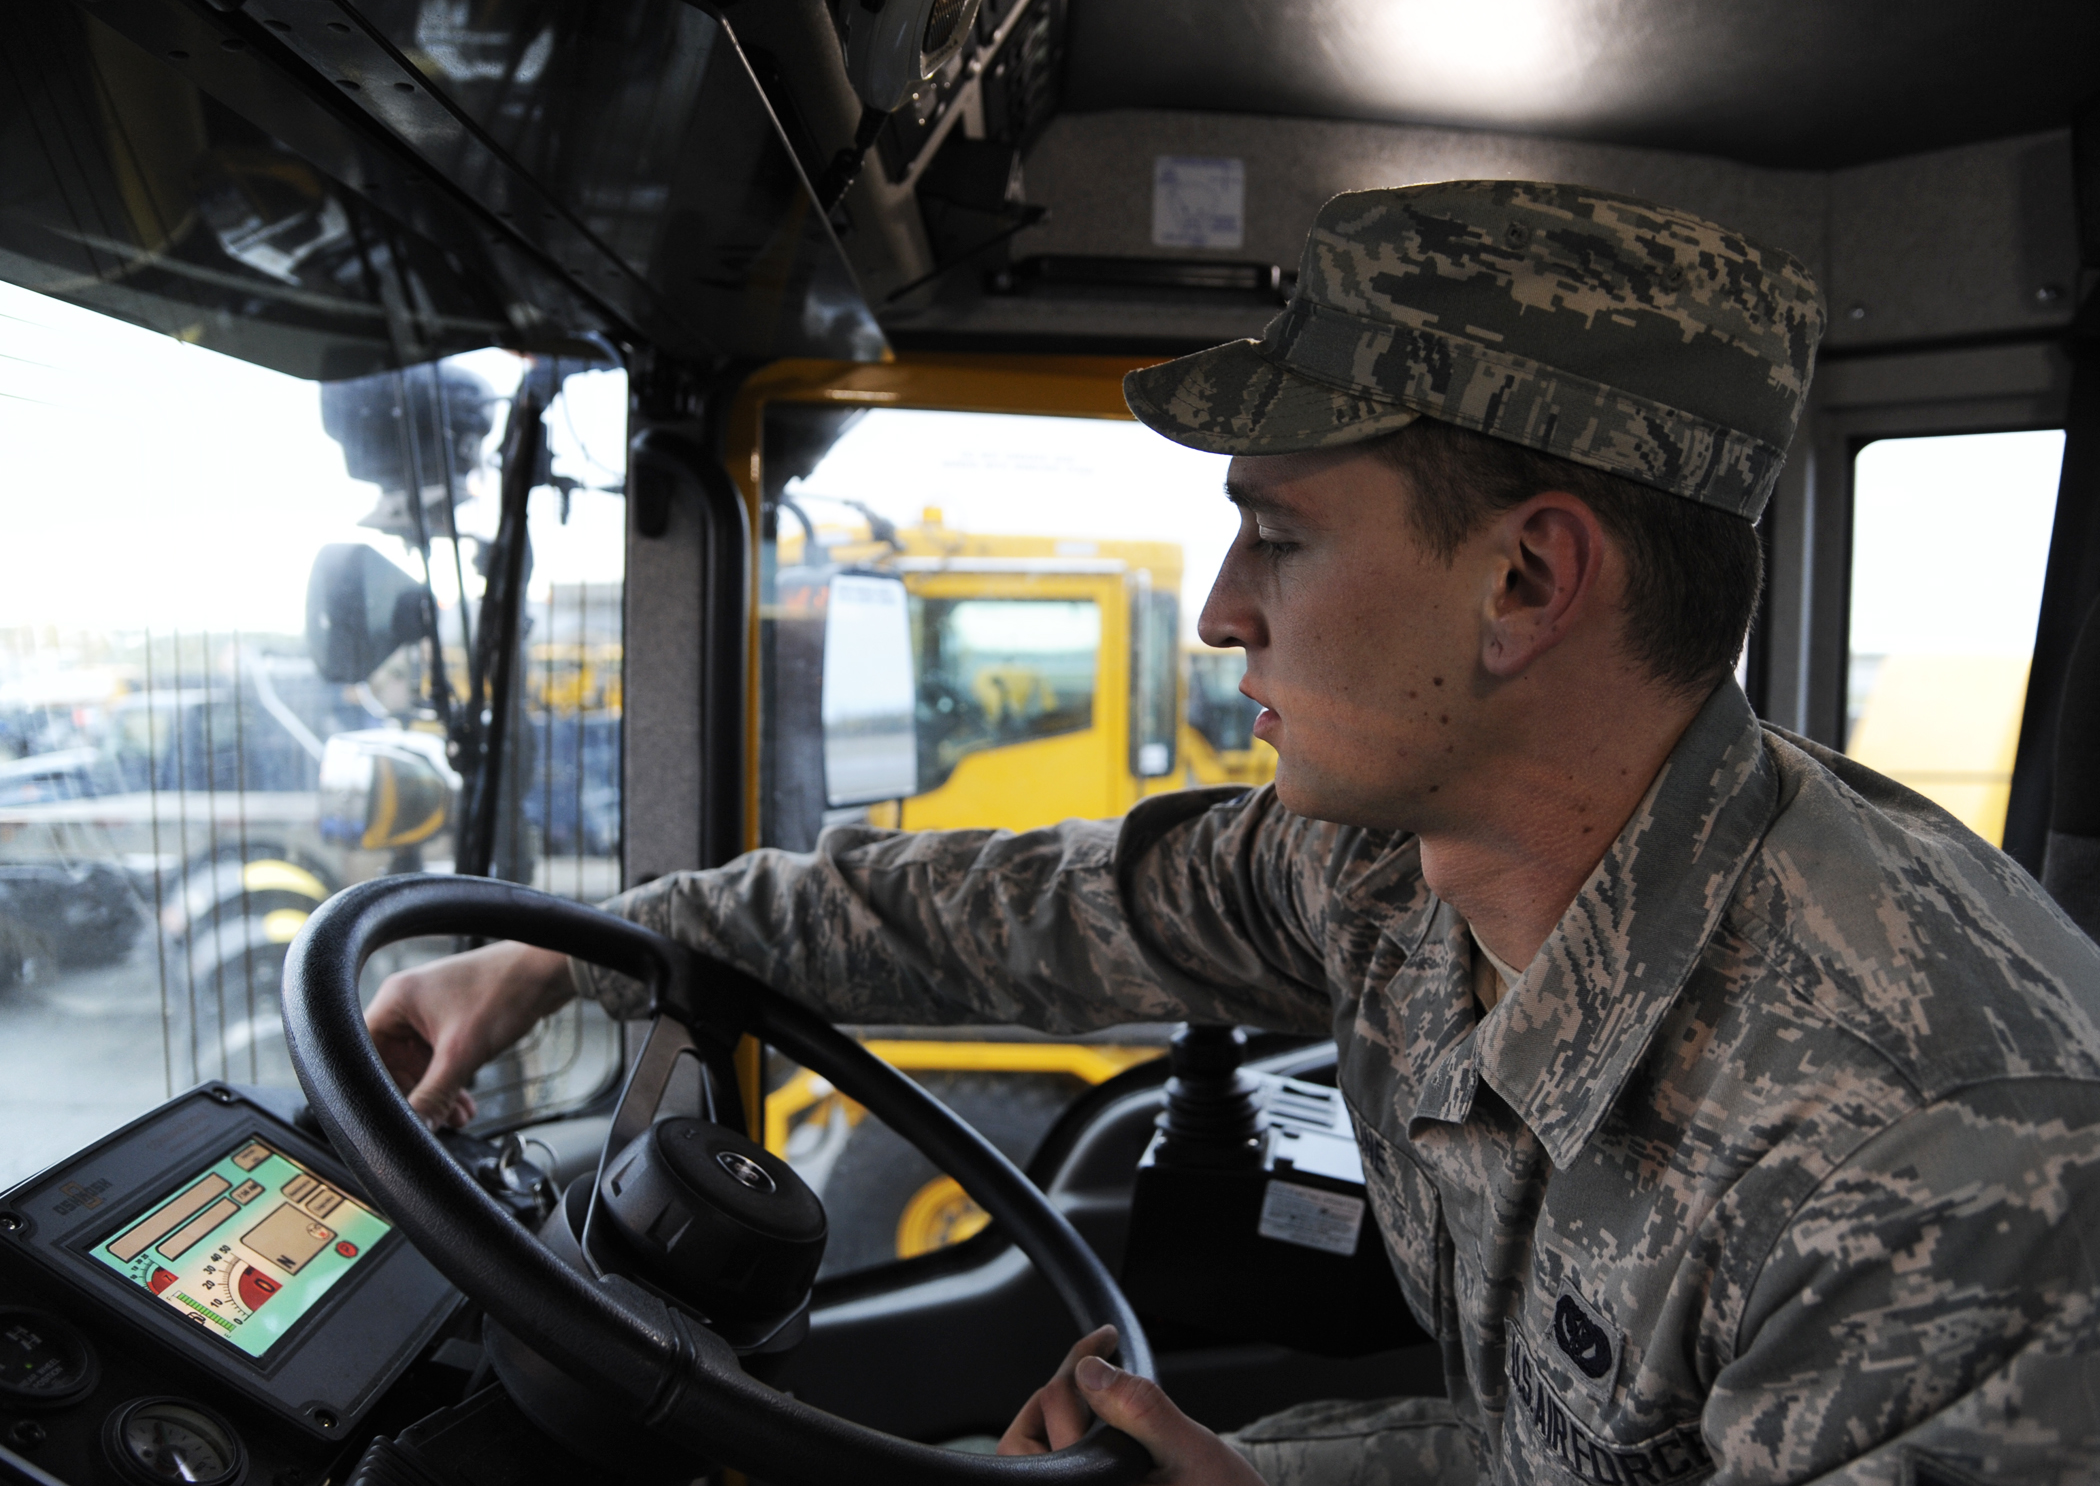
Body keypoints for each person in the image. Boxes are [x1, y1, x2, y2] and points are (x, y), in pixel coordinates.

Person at [368, 182, 2100, 1484]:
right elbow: (1009, 913)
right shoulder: (1387, 872)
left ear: (1524, 581)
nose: (1218, 610)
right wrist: (566, 949)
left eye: (1276, 533)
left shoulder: (1937, 1165)